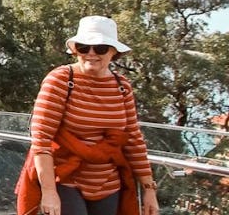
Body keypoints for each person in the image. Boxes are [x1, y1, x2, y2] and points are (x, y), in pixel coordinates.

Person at [16, 15, 159, 215]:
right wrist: (49, 192)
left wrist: (148, 189)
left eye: (100, 48)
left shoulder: (122, 86)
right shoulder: (61, 80)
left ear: (113, 51)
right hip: (65, 179)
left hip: (108, 184)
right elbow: (42, 140)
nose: (91, 53)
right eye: (84, 47)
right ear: (76, 50)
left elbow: (133, 139)